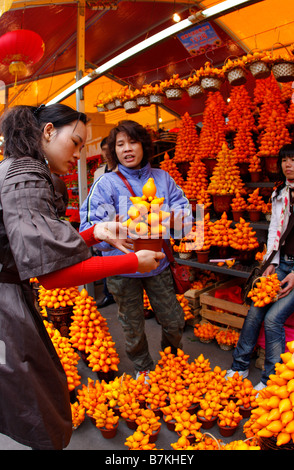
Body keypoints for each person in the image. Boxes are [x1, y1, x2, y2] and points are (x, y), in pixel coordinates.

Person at [0, 105, 164, 450]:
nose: (78, 154)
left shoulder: (12, 169)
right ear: (47, 133)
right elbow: (53, 274)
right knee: (37, 402)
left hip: (10, 295)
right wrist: (131, 261)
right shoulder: (27, 176)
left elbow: (34, 243)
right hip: (4, 304)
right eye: (75, 143)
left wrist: (96, 233)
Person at [80, 119, 192, 381]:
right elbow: (88, 225)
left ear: (144, 145)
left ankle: (172, 360)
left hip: (158, 264)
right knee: (132, 325)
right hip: (122, 268)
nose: (127, 149)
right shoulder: (106, 184)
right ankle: (143, 367)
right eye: (120, 144)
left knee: (174, 321)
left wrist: (173, 218)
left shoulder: (163, 178)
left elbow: (186, 213)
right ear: (113, 150)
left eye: (133, 142)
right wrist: (110, 228)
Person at [227, 139, 294, 391]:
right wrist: (271, 262)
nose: (287, 164)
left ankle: (270, 380)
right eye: (283, 160)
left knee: (273, 319)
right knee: (255, 308)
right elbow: (274, 231)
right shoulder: (280, 191)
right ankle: (239, 366)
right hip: (282, 264)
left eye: (293, 159)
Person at [93, 137, 116, 308]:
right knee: (105, 257)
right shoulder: (98, 173)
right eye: (104, 149)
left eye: (109, 148)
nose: (106, 153)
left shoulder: (121, 170)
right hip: (104, 219)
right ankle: (109, 293)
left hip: (121, 219)